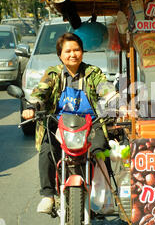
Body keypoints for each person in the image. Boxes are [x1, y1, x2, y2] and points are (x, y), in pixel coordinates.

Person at [22, 32, 110, 214]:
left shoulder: (93, 73)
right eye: (68, 51)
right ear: (60, 55)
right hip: (59, 123)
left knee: (101, 151)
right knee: (47, 150)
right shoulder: (53, 73)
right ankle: (48, 196)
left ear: (82, 52)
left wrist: (115, 100)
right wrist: (33, 105)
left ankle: (104, 196)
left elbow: (105, 88)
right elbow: (40, 91)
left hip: (90, 123)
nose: (73, 54)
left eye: (76, 50)